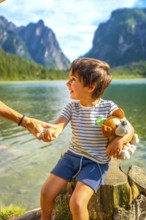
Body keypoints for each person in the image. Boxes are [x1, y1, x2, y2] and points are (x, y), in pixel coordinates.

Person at [39, 58, 134, 220]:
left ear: (91, 87)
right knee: (46, 192)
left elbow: (129, 129)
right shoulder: (72, 107)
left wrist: (120, 141)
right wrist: (50, 132)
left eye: (73, 80)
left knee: (76, 203)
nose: (67, 83)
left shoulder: (109, 107)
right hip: (71, 157)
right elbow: (58, 126)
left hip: (95, 163)